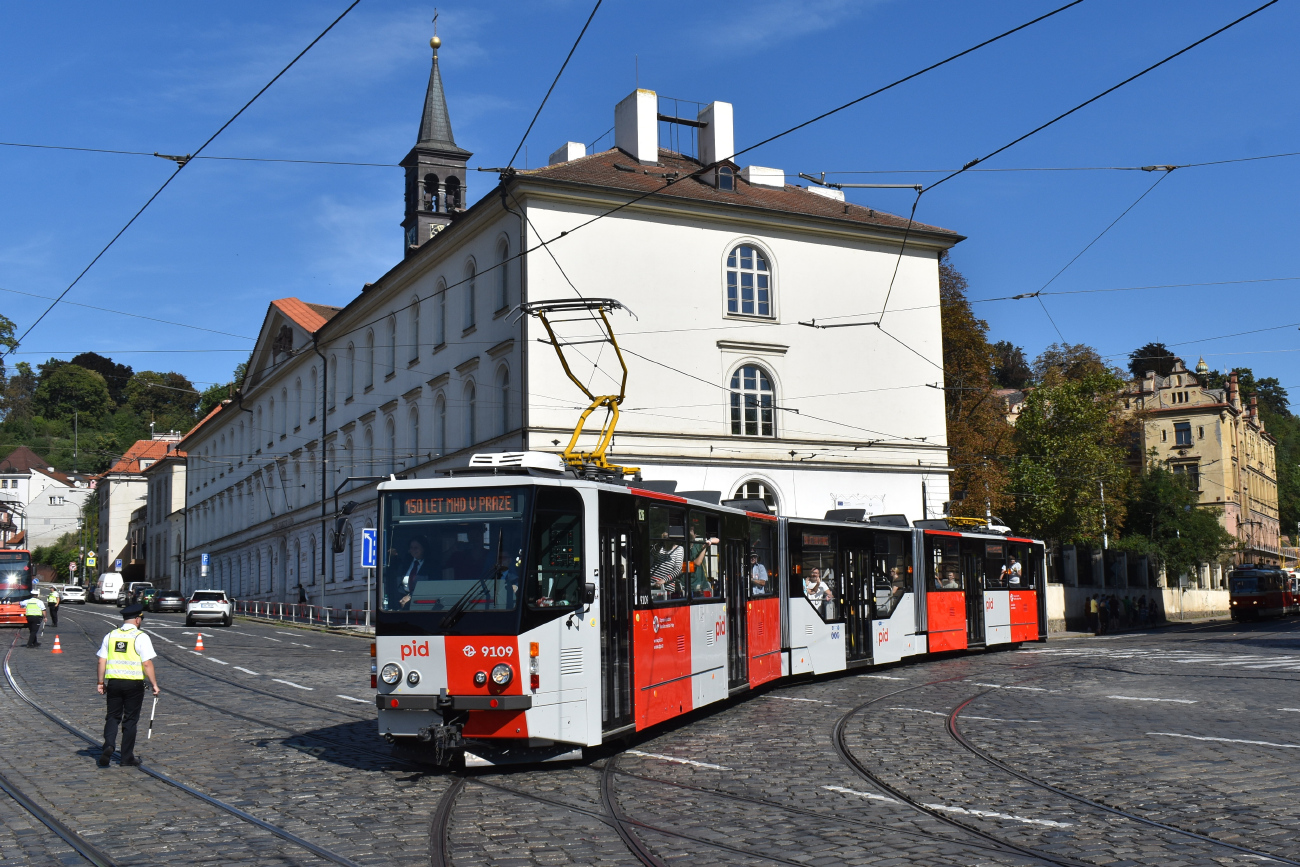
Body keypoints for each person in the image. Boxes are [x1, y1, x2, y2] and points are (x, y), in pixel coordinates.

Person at [96, 603, 160, 767]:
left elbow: (101, 661)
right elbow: (147, 663)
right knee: (130, 720)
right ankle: (126, 757)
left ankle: (109, 745)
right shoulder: (140, 637)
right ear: (138, 620)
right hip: (134, 684)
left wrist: (100, 682)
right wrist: (154, 684)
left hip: (114, 682)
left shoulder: (110, 635)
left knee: (112, 716)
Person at [384, 536, 432, 610]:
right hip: (401, 604)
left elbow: (428, 586)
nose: (413, 550)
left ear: (423, 548)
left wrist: (410, 596)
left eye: (416, 548)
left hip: (422, 604)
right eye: (411, 548)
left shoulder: (431, 565)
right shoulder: (406, 562)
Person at [650, 533, 684, 601]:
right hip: (652, 584)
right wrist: (660, 543)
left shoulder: (679, 549)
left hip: (666, 588)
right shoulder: (658, 547)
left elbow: (678, 569)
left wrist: (664, 580)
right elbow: (653, 554)